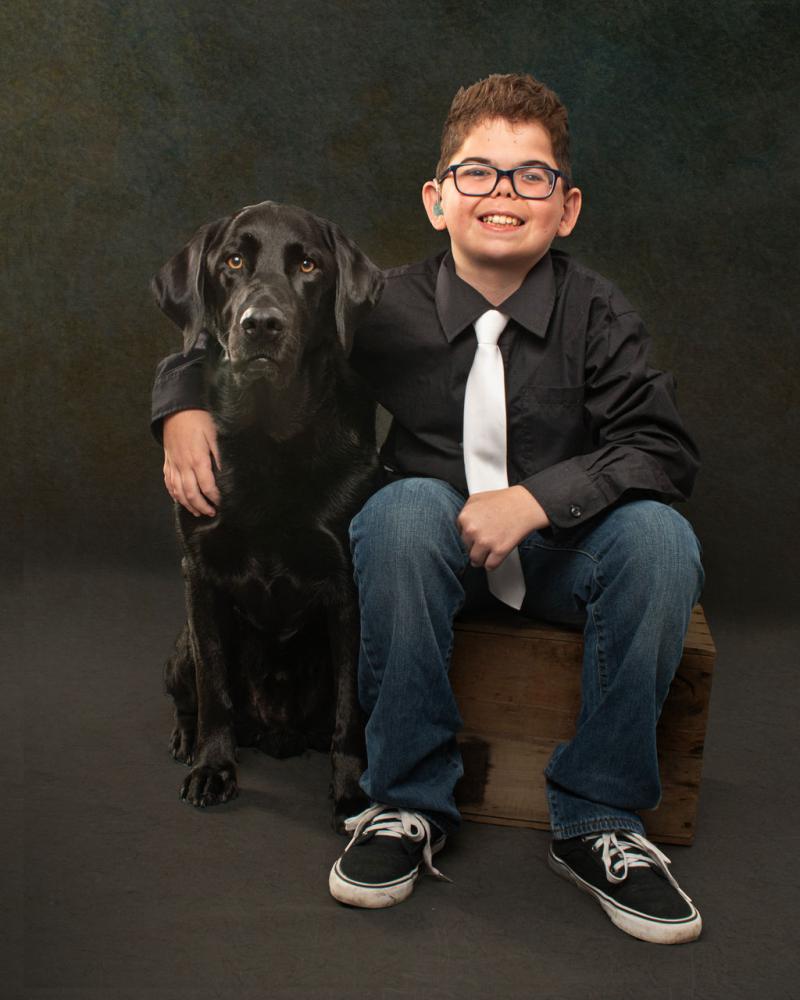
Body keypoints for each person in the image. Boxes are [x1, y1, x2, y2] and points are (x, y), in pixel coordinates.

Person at [151, 73, 705, 945]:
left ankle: (600, 819)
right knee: (401, 507)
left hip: (563, 557)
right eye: (477, 173)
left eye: (531, 177)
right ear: (436, 199)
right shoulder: (381, 306)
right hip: (426, 565)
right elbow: (255, 324)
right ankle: (405, 803)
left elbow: (662, 447)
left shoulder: (599, 315)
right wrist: (179, 402)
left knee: (663, 538)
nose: (502, 194)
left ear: (566, 208)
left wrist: (536, 500)